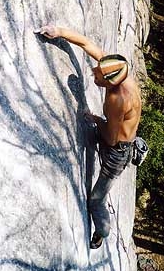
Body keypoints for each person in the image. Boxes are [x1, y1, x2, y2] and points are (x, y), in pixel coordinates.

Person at [36, 24, 142, 249]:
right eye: (97, 68)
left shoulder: (118, 100)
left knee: (95, 200)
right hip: (114, 135)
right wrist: (59, 32)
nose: (94, 72)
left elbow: (111, 139)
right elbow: (87, 44)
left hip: (116, 152)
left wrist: (95, 120)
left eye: (99, 75)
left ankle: (102, 232)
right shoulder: (116, 68)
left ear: (110, 84)